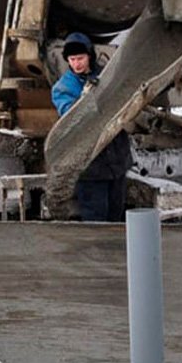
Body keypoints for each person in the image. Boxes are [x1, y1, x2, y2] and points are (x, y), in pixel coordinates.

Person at [51, 32, 132, 222]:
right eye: (72, 59)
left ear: (90, 56)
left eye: (80, 58)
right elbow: (70, 117)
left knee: (116, 213)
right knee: (95, 217)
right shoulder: (63, 88)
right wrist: (86, 98)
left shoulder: (106, 74)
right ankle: (96, 252)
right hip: (90, 165)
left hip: (116, 161)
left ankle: (116, 251)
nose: (77, 63)